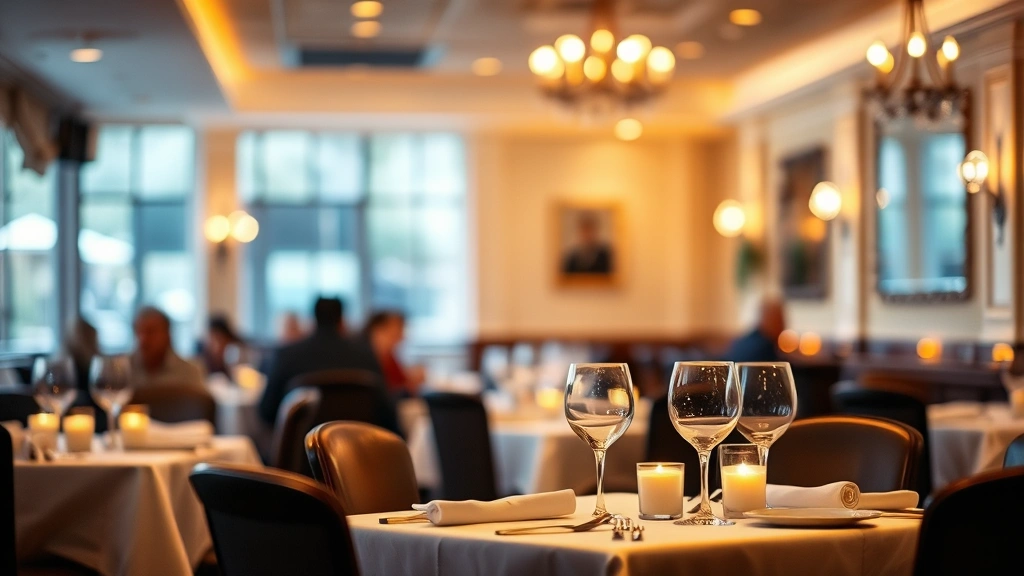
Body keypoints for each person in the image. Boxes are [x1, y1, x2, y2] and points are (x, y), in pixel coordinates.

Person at [258, 297, 393, 430]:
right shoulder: (366, 356)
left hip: (301, 448)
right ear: (342, 321)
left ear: (312, 320)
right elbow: (387, 413)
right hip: (357, 447)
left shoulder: (285, 356)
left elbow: (267, 412)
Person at [131, 306, 203, 389]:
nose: (143, 339)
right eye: (139, 331)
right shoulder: (124, 370)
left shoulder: (189, 373)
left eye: (151, 332)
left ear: (167, 335)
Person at [363, 310, 425, 397]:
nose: (402, 335)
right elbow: (385, 393)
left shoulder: (389, 356)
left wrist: (411, 380)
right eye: (398, 328)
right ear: (378, 330)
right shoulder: (370, 357)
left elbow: (401, 382)